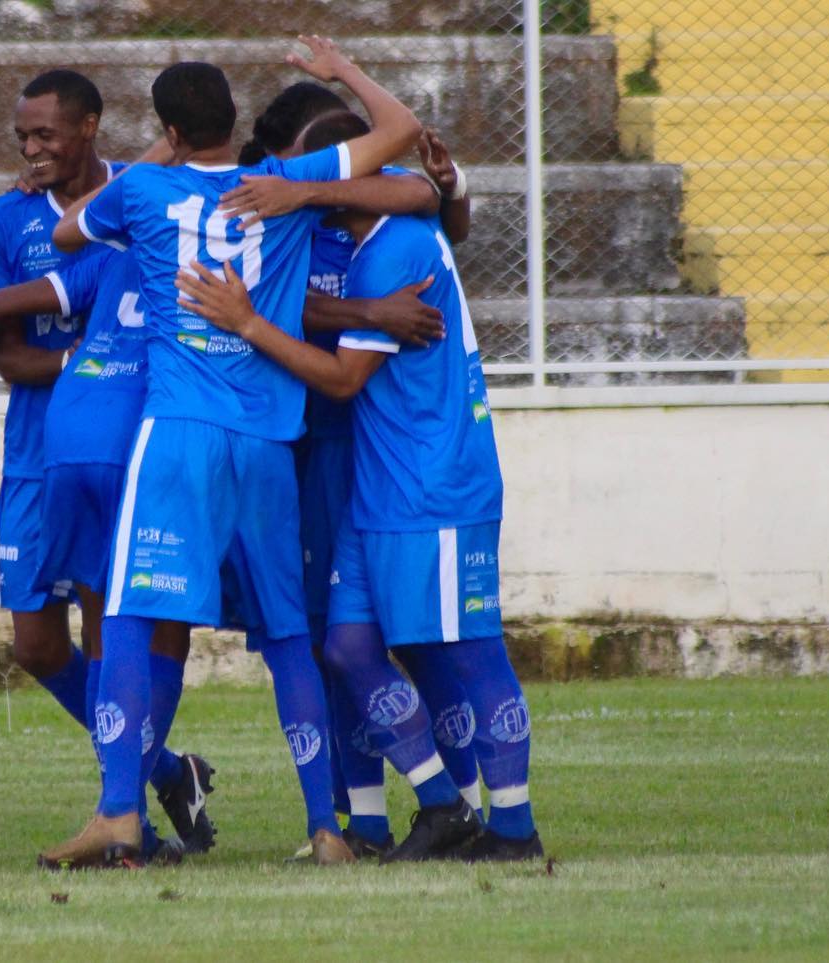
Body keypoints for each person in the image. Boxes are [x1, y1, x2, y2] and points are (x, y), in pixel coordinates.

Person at [41, 36, 423, 867]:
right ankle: (327, 828)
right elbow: (401, 130)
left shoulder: (141, 187)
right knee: (288, 636)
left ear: (172, 130)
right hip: (266, 438)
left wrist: (156, 157)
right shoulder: (286, 186)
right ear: (235, 124)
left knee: (132, 617)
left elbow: (71, 233)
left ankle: (118, 813)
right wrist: (337, 86)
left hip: (178, 432)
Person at [176, 110, 544, 863]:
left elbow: (344, 378)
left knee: (469, 651)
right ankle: (441, 803)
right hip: (377, 483)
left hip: (432, 481)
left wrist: (247, 322)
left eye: (313, 176)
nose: (299, 188)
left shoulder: (393, 248)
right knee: (345, 645)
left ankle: (513, 825)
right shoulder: (373, 233)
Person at [228, 88, 484, 859]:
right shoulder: (277, 210)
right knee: (324, 638)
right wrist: (370, 316)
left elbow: (430, 202)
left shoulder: (371, 206)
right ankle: (364, 816)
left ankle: (466, 797)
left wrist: (454, 187)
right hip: (310, 444)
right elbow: (284, 304)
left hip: (376, 446)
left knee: (411, 637)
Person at [0, 69, 211, 864]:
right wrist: (79, 359)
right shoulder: (4, 219)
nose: (33, 149)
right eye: (24, 138)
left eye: (46, 135)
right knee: (37, 646)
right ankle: (167, 771)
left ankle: (121, 815)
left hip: (124, 450)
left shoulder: (141, 199)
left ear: (90, 127)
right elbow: (3, 351)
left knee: (115, 631)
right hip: (39, 452)